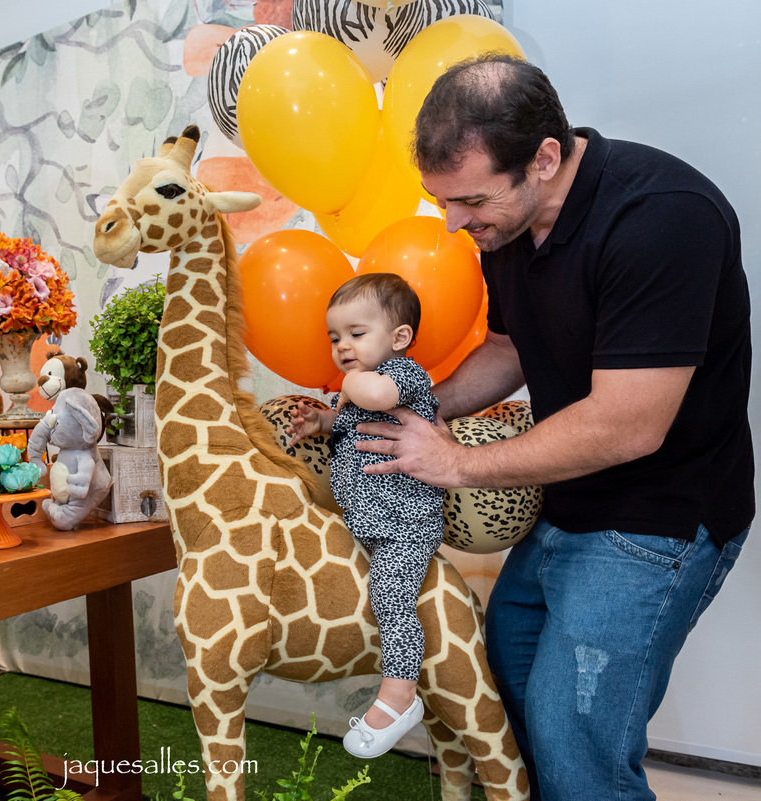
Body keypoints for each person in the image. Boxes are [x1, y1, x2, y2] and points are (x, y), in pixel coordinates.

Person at [352, 53, 752, 801]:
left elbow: (630, 425)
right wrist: (424, 406)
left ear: (544, 156)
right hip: (568, 502)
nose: (452, 221)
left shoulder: (663, 218)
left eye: (469, 199)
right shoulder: (505, 230)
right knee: (507, 678)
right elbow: (509, 346)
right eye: (440, 200)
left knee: (576, 748)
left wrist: (458, 464)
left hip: (660, 520)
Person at [288, 273, 444, 759]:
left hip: (404, 526)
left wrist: (351, 382)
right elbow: (360, 419)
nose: (342, 347)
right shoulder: (362, 388)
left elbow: (376, 399)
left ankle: (400, 693)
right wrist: (324, 421)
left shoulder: (404, 375)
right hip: (365, 523)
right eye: (334, 338)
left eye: (356, 335)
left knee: (390, 594)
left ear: (399, 339)